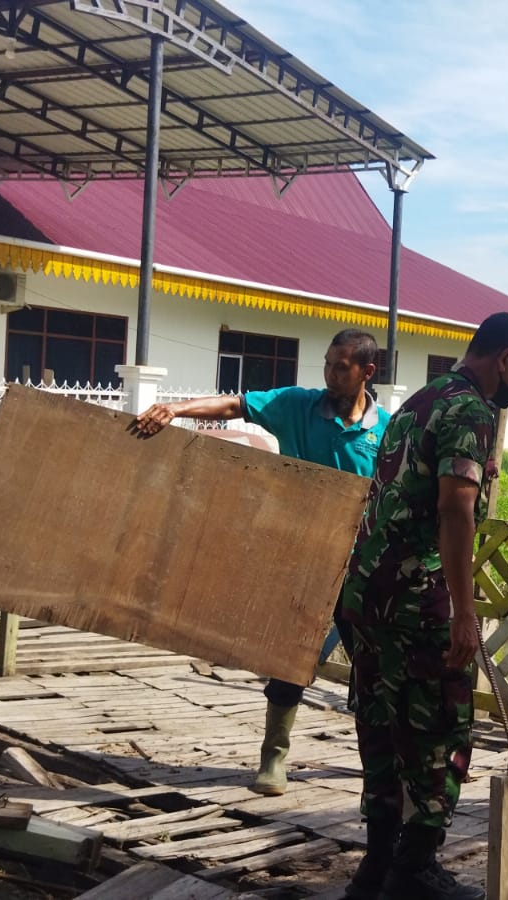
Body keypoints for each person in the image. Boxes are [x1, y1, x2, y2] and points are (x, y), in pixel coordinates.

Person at [131, 328, 387, 797]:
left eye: (341, 367)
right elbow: (235, 406)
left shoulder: (384, 430)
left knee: (371, 669)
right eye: (328, 363)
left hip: (359, 570)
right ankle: (274, 757)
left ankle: (377, 763)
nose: (330, 374)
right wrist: (176, 411)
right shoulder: (296, 405)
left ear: (367, 372)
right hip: (301, 558)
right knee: (288, 659)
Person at [338, 312, 508, 900]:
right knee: (438, 729)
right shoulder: (472, 411)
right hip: (416, 601)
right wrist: (464, 610)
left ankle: (376, 866)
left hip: (365, 594)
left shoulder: (419, 400)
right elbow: (458, 509)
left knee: (379, 726)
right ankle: (414, 868)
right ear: (503, 359)